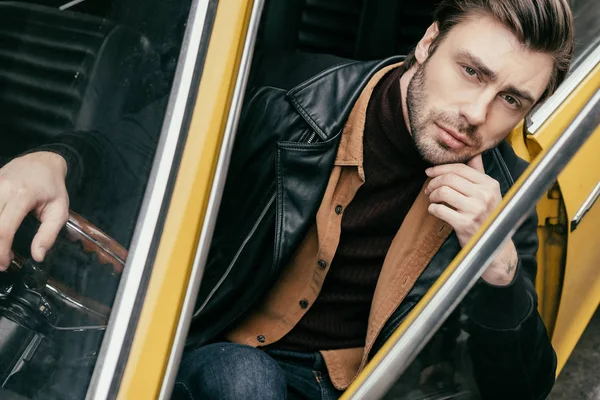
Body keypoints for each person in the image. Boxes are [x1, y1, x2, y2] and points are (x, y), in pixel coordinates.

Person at [0, 0, 574, 398]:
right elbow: (138, 148)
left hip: (366, 385)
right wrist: (53, 160)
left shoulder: (507, 196)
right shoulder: (288, 102)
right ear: (427, 43)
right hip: (225, 363)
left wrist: (499, 275)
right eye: (471, 71)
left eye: (512, 101)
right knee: (244, 377)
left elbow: (522, 388)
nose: (477, 114)